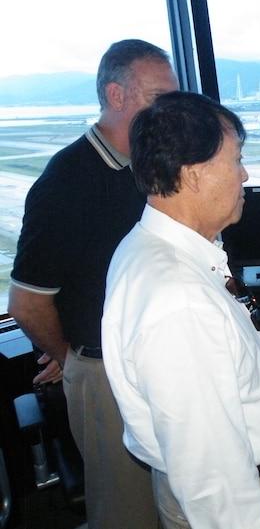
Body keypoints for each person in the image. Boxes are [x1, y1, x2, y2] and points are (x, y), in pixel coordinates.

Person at [101, 91, 260, 529]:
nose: (245, 174)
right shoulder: (179, 299)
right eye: (236, 160)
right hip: (251, 498)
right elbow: (212, 482)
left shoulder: (155, 251)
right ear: (195, 175)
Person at [8, 39, 179, 528]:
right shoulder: (69, 179)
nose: (170, 111)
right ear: (116, 95)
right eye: (158, 98)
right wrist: (72, 359)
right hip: (105, 372)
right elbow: (26, 302)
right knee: (127, 508)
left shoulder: (146, 166)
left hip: (155, 359)